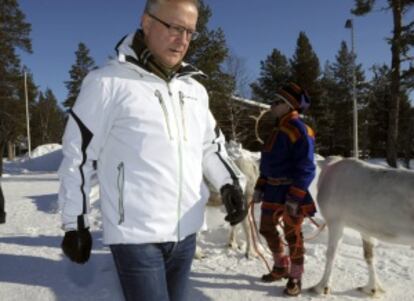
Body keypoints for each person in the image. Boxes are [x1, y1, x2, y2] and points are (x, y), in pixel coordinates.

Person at [58, 0, 247, 300]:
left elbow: (210, 147)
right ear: (146, 23)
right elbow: (77, 155)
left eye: (190, 32)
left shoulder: (195, 92)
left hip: (185, 233)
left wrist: (229, 184)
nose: (182, 40)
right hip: (136, 237)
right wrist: (75, 222)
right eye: (174, 27)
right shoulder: (107, 83)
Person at [253, 82, 316, 296]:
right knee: (267, 229)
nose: (272, 105)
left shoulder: (301, 130)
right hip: (271, 190)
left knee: (293, 236)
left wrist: (296, 196)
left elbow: (307, 167)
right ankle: (281, 266)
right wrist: (260, 185)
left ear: (289, 106)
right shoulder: (277, 130)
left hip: (291, 192)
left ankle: (295, 277)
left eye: (276, 102)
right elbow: (268, 164)